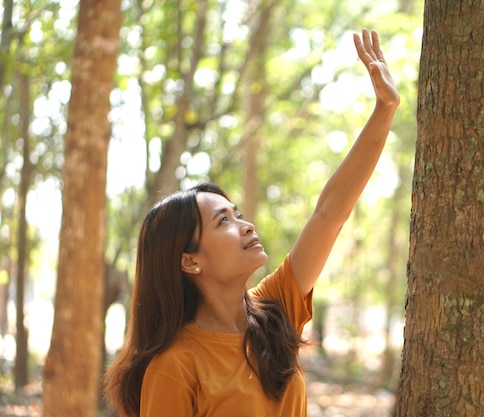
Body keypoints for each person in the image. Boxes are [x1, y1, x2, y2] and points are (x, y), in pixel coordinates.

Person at [104, 28, 399, 417]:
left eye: (238, 214)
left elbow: (330, 214)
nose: (245, 225)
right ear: (189, 260)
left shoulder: (275, 310)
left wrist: (384, 109)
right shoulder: (175, 366)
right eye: (222, 221)